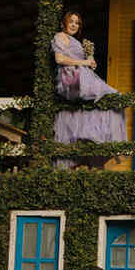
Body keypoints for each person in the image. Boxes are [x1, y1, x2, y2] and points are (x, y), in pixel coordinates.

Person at [51, 9, 126, 160]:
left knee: (113, 98)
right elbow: (59, 59)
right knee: (105, 95)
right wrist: (83, 62)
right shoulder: (60, 36)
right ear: (64, 23)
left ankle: (97, 135)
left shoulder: (78, 42)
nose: (74, 25)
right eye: (71, 21)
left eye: (77, 23)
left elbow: (82, 61)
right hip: (70, 77)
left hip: (82, 74)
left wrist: (90, 62)